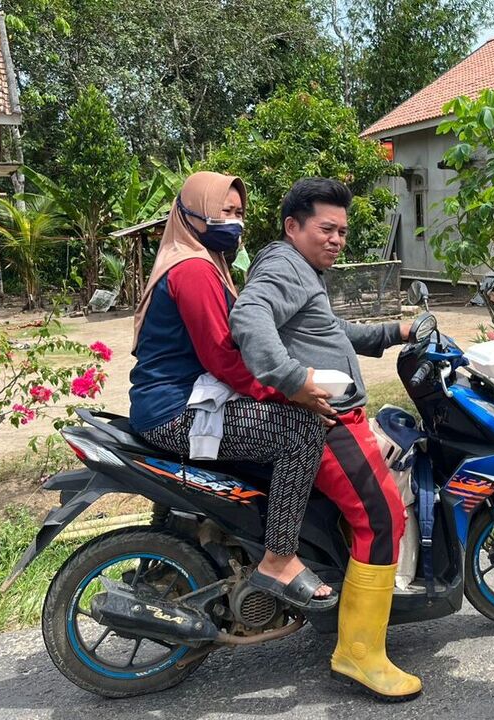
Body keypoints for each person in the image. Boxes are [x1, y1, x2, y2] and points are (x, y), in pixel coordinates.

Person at [229, 177, 421, 703]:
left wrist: (397, 332)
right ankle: (359, 653)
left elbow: (330, 332)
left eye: (342, 230)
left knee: (377, 513)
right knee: (383, 516)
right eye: (325, 228)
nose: (337, 239)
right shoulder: (284, 266)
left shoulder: (306, 271)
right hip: (328, 422)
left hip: (339, 419)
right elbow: (249, 316)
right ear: (293, 226)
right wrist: (294, 379)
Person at [129, 171, 336, 613]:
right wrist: (291, 391)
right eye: (225, 211)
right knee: (301, 434)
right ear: (193, 212)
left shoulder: (202, 262)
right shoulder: (194, 271)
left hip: (175, 401)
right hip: (177, 409)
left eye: (239, 213)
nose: (235, 222)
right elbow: (223, 358)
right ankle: (279, 559)